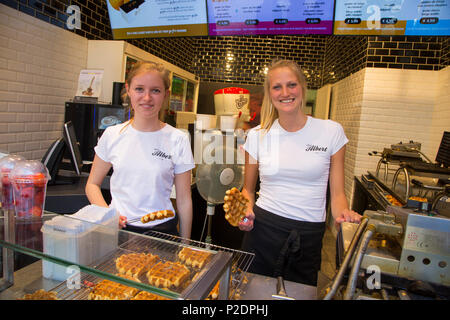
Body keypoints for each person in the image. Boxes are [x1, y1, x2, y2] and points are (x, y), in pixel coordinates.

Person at [239, 59, 361, 286]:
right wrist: (244, 210)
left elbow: (336, 196)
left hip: (308, 235)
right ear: (270, 93)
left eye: (291, 85)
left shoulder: (331, 132)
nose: (285, 92)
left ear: (303, 87)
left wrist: (344, 215)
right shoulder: (257, 136)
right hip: (264, 230)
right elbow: (247, 189)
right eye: (277, 87)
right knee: (251, 294)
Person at [85, 61, 194, 238]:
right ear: (128, 89)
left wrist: (185, 244)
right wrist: (108, 216)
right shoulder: (112, 135)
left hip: (162, 232)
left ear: (166, 94)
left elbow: (183, 200)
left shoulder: (178, 139)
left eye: (155, 90)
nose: (147, 98)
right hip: (118, 229)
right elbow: (92, 185)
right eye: (139, 89)